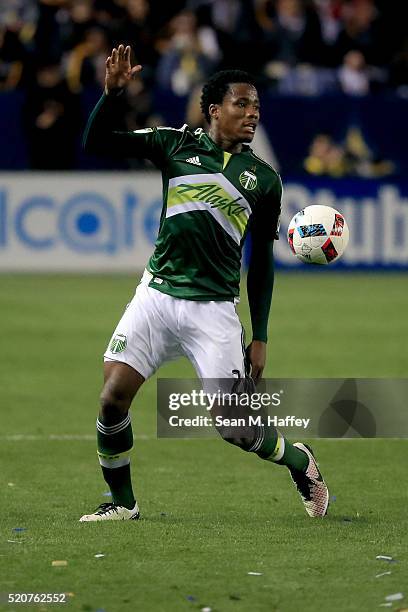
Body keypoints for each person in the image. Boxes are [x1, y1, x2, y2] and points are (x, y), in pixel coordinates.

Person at [79, 44, 329, 522]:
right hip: (156, 295)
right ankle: (122, 504)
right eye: (242, 104)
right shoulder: (174, 145)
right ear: (213, 109)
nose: (252, 113)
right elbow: (97, 143)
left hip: (213, 310)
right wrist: (110, 94)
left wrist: (260, 335)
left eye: (257, 106)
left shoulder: (263, 181)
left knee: (234, 429)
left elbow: (261, 265)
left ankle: (299, 460)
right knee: (112, 398)